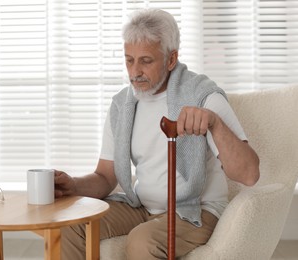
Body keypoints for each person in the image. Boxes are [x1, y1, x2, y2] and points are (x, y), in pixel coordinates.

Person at [54, 8, 260, 259]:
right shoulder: (122, 105)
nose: (134, 71)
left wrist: (215, 124)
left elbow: (249, 174)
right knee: (69, 225)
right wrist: (73, 186)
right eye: (129, 59)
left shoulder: (204, 97)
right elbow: (106, 177)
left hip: (195, 210)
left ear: (171, 59)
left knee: (142, 241)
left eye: (146, 61)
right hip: (140, 206)